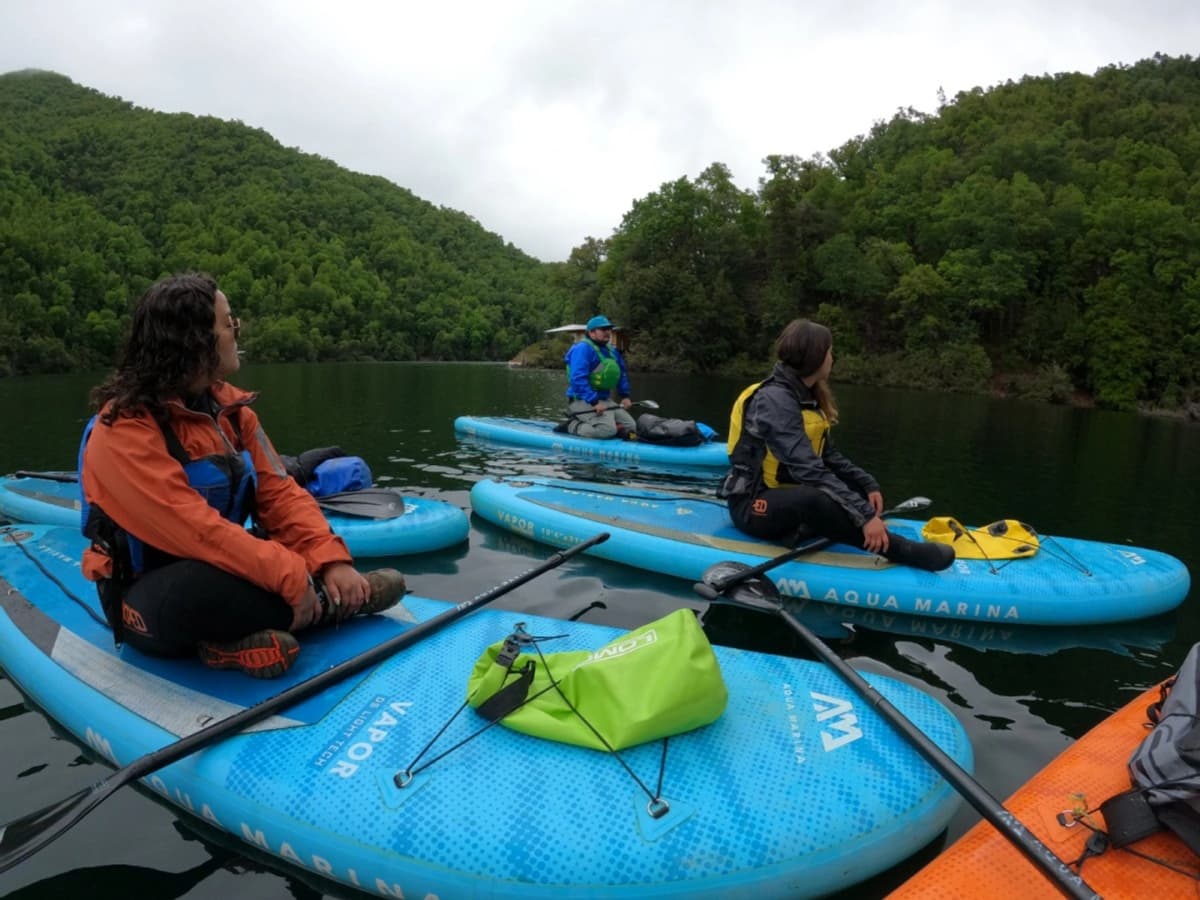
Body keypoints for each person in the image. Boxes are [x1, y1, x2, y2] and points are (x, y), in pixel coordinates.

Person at [78, 272, 407, 678]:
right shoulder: (123, 429)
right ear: (193, 338)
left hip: (225, 563)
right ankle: (330, 605)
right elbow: (193, 530)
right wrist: (290, 575)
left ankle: (285, 616)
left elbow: (281, 494)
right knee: (198, 591)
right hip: (150, 594)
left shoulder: (235, 415)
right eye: (228, 322)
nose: (236, 331)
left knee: (263, 564)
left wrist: (328, 560)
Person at [721, 318, 954, 572]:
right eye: (830, 352)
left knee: (854, 491)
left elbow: (828, 455)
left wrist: (867, 483)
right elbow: (807, 468)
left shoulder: (805, 396)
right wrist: (864, 516)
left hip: (786, 494)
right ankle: (900, 550)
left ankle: (813, 526)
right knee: (814, 499)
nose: (833, 358)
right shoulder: (774, 400)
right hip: (753, 506)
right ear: (816, 357)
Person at [564, 315, 637, 439]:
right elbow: (577, 378)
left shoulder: (611, 351)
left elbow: (621, 374)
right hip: (582, 400)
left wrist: (625, 396)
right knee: (607, 430)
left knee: (631, 426)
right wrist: (594, 402)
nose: (608, 332)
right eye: (603, 329)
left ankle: (609, 430)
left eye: (609, 329)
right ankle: (571, 425)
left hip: (604, 400)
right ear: (591, 332)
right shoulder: (583, 349)